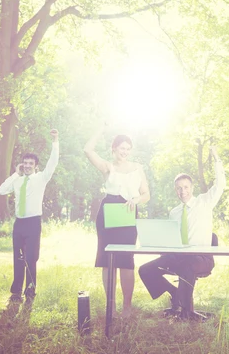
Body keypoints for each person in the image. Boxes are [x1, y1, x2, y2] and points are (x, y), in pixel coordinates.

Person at [138, 146, 226, 321]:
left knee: (188, 266)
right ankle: (175, 293)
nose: (183, 191)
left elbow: (221, 184)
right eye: (179, 188)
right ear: (175, 190)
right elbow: (172, 239)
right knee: (145, 270)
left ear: (191, 187)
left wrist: (217, 158)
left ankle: (187, 313)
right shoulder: (175, 212)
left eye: (185, 187)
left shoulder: (205, 202)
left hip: (201, 259)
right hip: (178, 257)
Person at [84, 127, 150, 317]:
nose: (125, 151)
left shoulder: (138, 168)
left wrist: (136, 200)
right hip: (108, 214)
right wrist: (99, 129)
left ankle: (127, 307)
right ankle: (111, 307)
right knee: (108, 261)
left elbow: (146, 194)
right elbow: (88, 150)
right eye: (122, 148)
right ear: (114, 148)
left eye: (128, 148)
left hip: (128, 214)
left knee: (126, 261)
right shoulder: (107, 167)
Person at [0, 128, 60, 301]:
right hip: (19, 224)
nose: (27, 165)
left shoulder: (41, 178)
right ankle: (16, 290)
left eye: (30, 163)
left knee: (31, 258)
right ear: (22, 164)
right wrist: (15, 174)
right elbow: (1, 190)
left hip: (33, 223)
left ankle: (30, 290)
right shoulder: (17, 179)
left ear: (35, 166)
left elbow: (53, 162)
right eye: (25, 163)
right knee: (18, 257)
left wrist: (55, 141)